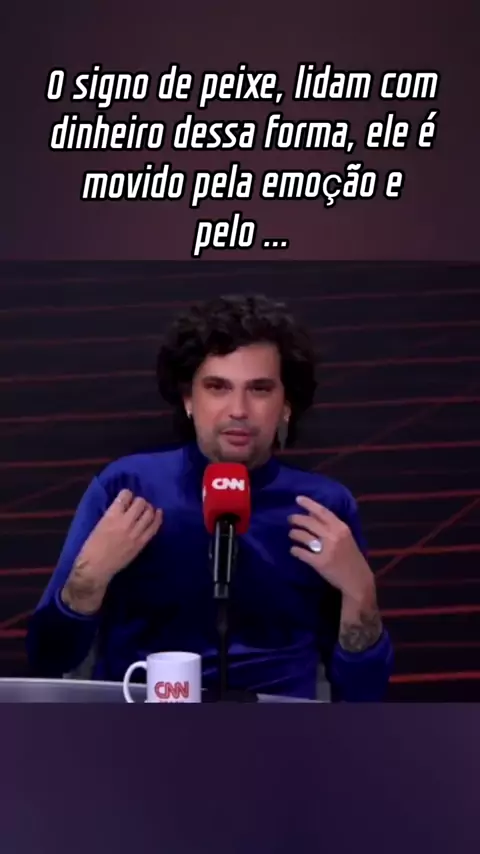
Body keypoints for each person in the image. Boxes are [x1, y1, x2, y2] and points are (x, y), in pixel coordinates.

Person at [26, 294, 393, 701]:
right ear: (188, 398)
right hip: (144, 718)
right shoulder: (127, 489)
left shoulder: (323, 508)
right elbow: (47, 658)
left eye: (259, 389)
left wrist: (361, 594)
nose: (238, 409)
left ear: (286, 405)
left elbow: (363, 693)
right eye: (218, 387)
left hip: (279, 727)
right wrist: (87, 581)